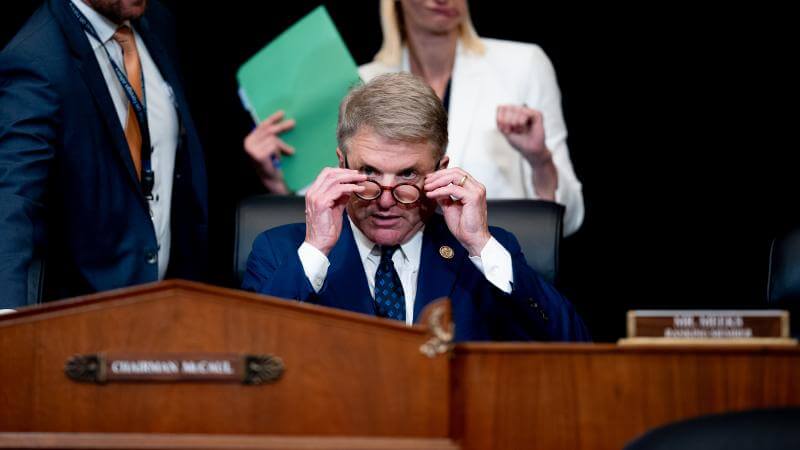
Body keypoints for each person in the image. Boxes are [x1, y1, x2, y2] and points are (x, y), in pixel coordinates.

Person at [242, 73, 588, 342]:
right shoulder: (280, 251)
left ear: (440, 172)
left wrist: (479, 245)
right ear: (340, 164)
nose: (387, 199)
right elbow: (248, 353)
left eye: (408, 175)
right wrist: (316, 251)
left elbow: (572, 347)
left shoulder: (485, 256)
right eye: (368, 173)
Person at [243, 0, 584, 236]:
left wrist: (540, 160)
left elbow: (567, 221)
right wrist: (275, 181)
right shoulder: (362, 83)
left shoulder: (522, 65)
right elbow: (330, 213)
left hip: (492, 270)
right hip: (394, 272)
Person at [0, 0, 208, 310]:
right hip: (87, 320)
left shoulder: (156, 23)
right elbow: (14, 195)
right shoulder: (36, 58)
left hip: (169, 305)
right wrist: (8, 323)